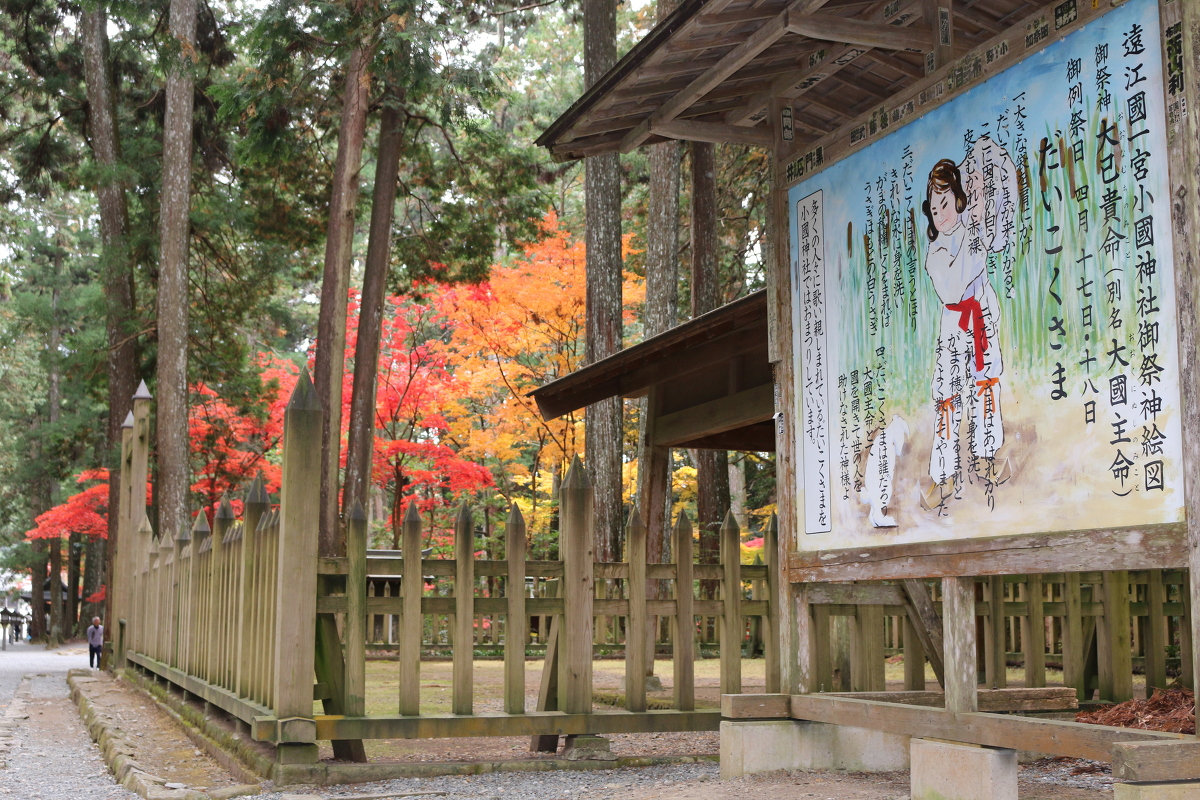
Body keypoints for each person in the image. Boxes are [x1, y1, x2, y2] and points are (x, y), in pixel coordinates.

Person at [922, 158, 1004, 503]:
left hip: (981, 319)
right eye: (934, 207)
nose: (939, 213)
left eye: (945, 203)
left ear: (958, 200)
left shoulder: (973, 233)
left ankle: (989, 458)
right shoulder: (935, 252)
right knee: (947, 397)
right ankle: (944, 476)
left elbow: (984, 271)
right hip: (954, 327)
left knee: (986, 387)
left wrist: (990, 311)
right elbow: (954, 289)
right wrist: (976, 235)